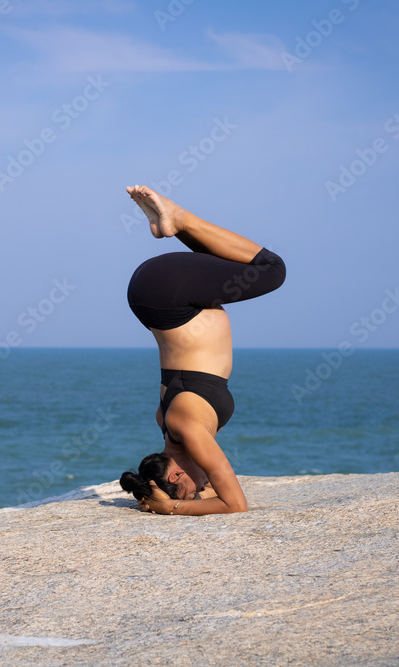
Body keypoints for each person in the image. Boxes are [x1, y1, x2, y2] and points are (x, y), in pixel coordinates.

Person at [119, 185, 285, 516]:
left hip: (168, 293)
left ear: (176, 474)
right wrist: (170, 494)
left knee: (272, 269)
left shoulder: (190, 432)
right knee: (237, 264)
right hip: (155, 295)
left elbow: (234, 505)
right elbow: (213, 485)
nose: (199, 494)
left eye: (192, 492)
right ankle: (174, 224)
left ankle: (178, 218)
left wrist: (173, 507)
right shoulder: (169, 424)